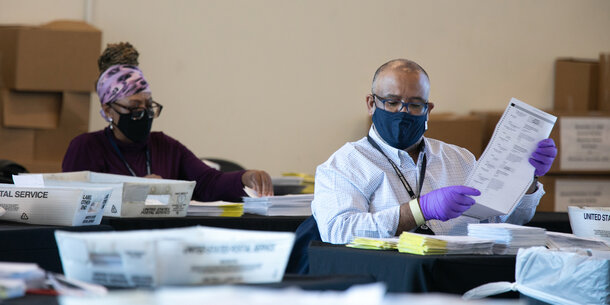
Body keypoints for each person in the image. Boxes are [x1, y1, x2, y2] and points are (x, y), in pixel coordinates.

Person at [311, 59, 556, 244]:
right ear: (371, 103)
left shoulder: (461, 160)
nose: (403, 112)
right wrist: (419, 210)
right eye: (392, 102)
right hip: (393, 284)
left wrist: (527, 179)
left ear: (428, 110)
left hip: (460, 280)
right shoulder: (343, 165)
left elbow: (503, 224)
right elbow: (338, 230)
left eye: (415, 105)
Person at [63, 42, 273, 202]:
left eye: (149, 106)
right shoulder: (86, 148)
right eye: (135, 107)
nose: (144, 114)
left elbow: (208, 182)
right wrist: (133, 190)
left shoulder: (166, 147)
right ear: (108, 109)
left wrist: (245, 178)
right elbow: (75, 202)